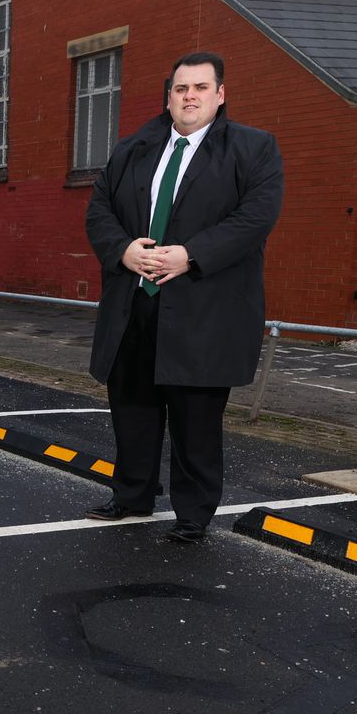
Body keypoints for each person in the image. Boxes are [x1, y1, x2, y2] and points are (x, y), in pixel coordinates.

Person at [83, 51, 283, 543]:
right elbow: (99, 211)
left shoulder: (253, 149)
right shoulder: (133, 148)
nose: (189, 96)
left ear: (220, 94)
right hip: (135, 302)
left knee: (196, 418)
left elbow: (255, 219)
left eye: (199, 88)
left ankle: (193, 513)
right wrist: (123, 250)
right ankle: (132, 495)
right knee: (132, 406)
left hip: (202, 306)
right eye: (180, 88)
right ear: (168, 95)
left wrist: (189, 255)